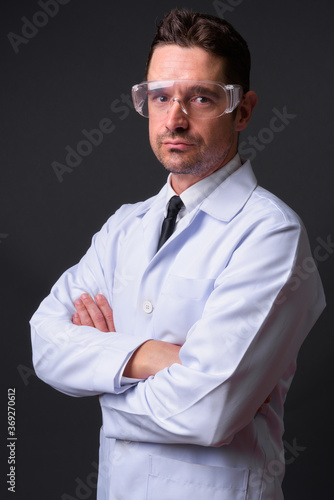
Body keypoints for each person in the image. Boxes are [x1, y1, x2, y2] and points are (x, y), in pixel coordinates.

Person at [30, 8, 325, 500]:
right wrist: (148, 358)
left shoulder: (270, 234)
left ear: (244, 110)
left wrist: (102, 378)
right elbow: (45, 341)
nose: (175, 119)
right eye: (160, 96)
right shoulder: (126, 225)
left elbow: (209, 411)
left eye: (201, 98)